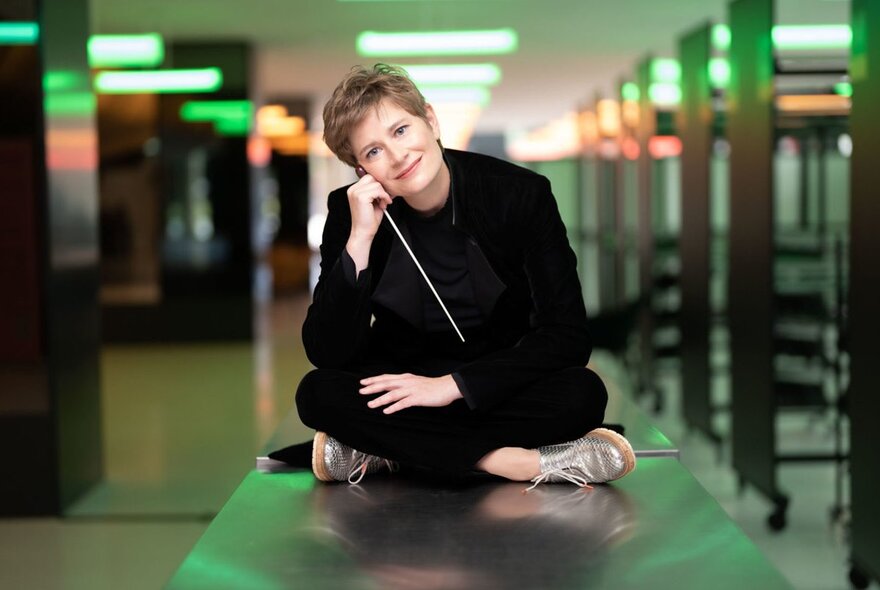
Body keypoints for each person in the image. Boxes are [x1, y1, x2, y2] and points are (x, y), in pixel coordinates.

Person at [294, 63, 635, 488]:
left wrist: (453, 386)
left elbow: (567, 335)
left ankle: (393, 452)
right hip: (408, 383)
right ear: (362, 170)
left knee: (583, 394)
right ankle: (509, 461)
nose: (397, 155)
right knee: (317, 392)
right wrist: (361, 237)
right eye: (373, 151)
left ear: (431, 121)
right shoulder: (351, 214)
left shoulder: (520, 194)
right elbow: (328, 351)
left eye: (401, 130)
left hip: (499, 381)